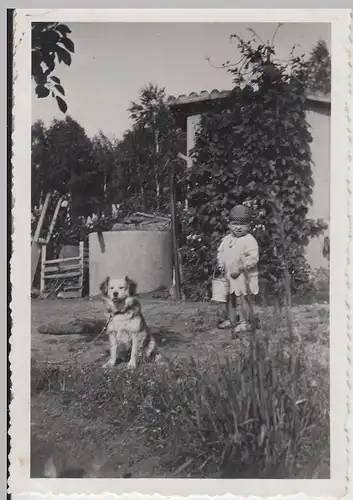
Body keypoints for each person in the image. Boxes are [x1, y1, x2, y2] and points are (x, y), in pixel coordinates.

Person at [216, 204, 259, 334]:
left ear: (248, 226)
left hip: (244, 277)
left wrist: (241, 267)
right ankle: (232, 319)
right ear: (229, 225)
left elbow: (253, 258)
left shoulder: (249, 240)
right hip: (230, 276)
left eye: (242, 224)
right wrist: (221, 264)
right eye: (235, 224)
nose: (238, 228)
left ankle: (245, 322)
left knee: (244, 299)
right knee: (231, 298)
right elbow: (221, 253)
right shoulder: (227, 239)